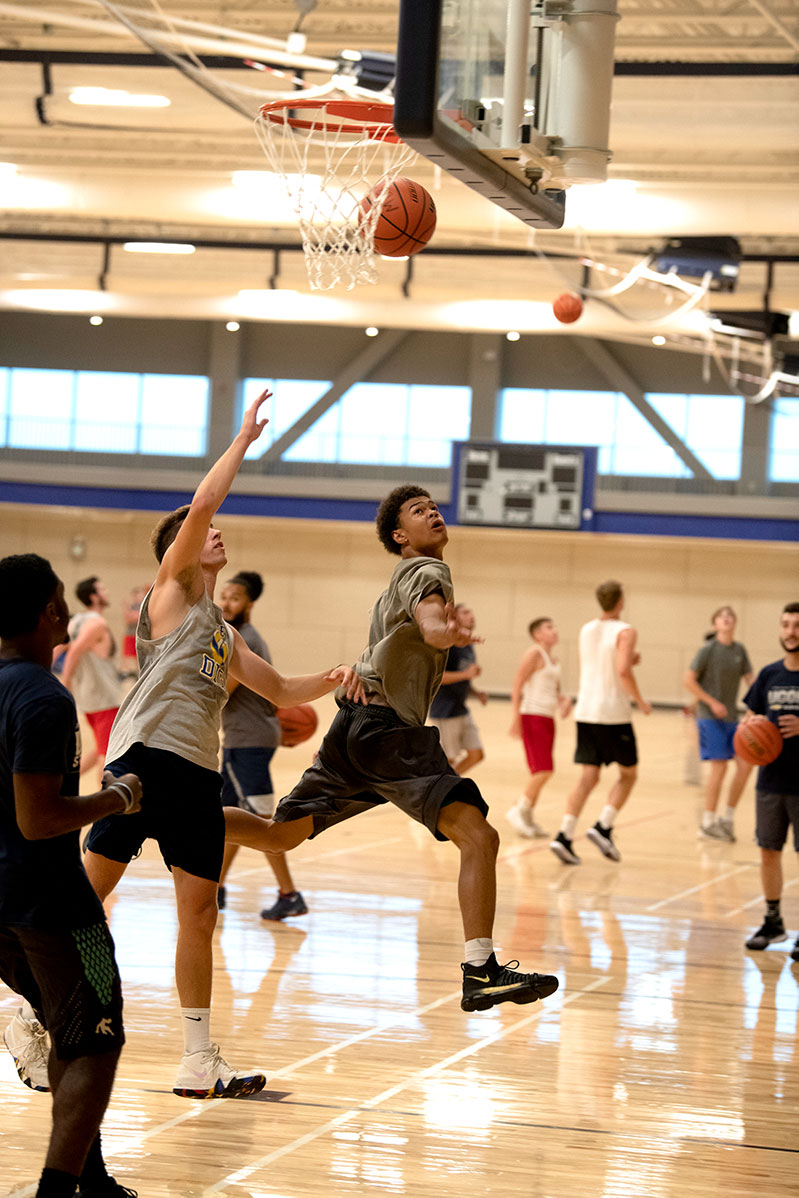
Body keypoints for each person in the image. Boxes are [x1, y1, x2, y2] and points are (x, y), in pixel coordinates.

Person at [75, 391, 363, 1100]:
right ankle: (27, 1005)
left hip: (196, 777)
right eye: (206, 529)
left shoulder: (224, 634)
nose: (217, 533)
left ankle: (198, 1058)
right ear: (183, 544)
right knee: (84, 904)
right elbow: (202, 500)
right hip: (143, 762)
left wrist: (336, 676)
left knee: (198, 915)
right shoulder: (169, 596)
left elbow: (282, 690)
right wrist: (241, 440)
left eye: (215, 528)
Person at [224, 485, 559, 1014]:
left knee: (278, 836)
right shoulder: (428, 572)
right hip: (389, 735)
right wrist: (445, 632)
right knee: (480, 837)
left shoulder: (394, 586)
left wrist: (415, 642)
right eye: (419, 511)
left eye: (434, 506)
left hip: (352, 731)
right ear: (401, 536)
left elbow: (395, 640)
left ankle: (176, 815)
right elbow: (428, 626)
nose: (434, 513)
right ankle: (480, 970)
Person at [0, 553, 143, 1198]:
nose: (64, 609)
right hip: (50, 902)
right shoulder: (42, 696)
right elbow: (40, 818)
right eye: (57, 600)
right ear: (45, 614)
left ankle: (95, 1179)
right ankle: (58, 1192)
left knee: (66, 1023)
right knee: (93, 1039)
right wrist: (119, 799)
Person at [217, 569, 308, 922]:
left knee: (260, 821)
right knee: (227, 818)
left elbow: (222, 691)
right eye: (224, 596)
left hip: (247, 741)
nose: (226, 602)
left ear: (249, 603)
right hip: (247, 738)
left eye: (234, 597)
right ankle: (217, 887)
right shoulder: (243, 636)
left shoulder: (243, 639)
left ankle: (289, 893)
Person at [550, 579, 651, 866]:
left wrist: (628, 660)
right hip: (613, 713)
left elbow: (594, 667)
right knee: (628, 775)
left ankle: (564, 835)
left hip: (587, 710)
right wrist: (641, 701)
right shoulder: (626, 631)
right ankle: (603, 827)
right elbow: (621, 670)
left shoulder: (586, 629)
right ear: (621, 602)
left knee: (588, 778)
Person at [742, 602, 799, 956]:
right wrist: (749, 727)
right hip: (771, 781)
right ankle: (774, 922)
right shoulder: (768, 675)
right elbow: (750, 716)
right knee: (768, 852)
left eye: (796, 625)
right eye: (786, 625)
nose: (790, 631)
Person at [684, 605, 754, 842]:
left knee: (746, 765)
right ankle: (707, 823)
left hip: (732, 718)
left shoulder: (739, 650)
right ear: (715, 624)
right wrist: (710, 702)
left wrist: (756, 707)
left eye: (730, 616)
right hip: (709, 717)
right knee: (720, 767)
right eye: (721, 617)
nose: (726, 619)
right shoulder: (707, 650)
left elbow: (751, 681)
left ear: (735, 623)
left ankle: (727, 819)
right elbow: (689, 681)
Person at [506, 617, 572, 839]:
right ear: (537, 634)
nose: (555, 630)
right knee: (544, 769)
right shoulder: (534, 653)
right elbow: (517, 685)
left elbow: (555, 690)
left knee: (540, 770)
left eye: (555, 626)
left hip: (547, 717)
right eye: (549, 627)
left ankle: (527, 816)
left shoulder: (554, 659)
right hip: (532, 715)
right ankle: (519, 810)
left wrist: (564, 702)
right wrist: (516, 717)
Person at [60, 577, 123, 778]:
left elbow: (61, 647)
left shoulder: (76, 621)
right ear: (94, 597)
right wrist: (65, 682)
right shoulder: (97, 623)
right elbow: (74, 651)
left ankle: (67, 780)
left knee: (99, 748)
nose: (107, 591)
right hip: (104, 698)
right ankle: (100, 806)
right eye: (102, 588)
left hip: (88, 700)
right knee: (108, 756)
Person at [428, 603, 487, 775]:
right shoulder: (447, 645)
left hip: (461, 708)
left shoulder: (468, 644)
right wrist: (466, 675)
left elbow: (463, 675)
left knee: (476, 754)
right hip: (445, 710)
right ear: (454, 616)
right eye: (466, 612)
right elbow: (436, 678)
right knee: (447, 760)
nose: (472, 615)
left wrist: (475, 692)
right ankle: (437, 792)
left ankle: (446, 786)